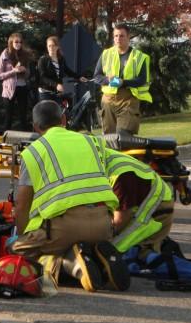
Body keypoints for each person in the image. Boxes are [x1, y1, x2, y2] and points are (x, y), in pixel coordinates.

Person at [11, 100, 128, 291]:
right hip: (103, 225)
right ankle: (97, 259)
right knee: (68, 239)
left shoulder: (33, 152)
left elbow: (22, 205)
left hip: (63, 228)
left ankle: (70, 266)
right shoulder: (92, 142)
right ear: (64, 119)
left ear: (35, 127)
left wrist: (25, 236)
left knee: (18, 252)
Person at [103, 149, 174, 255]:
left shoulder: (121, 176)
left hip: (156, 210)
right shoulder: (99, 159)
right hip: (137, 205)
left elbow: (120, 220)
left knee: (114, 253)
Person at [93, 24, 152, 136]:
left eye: (121, 36)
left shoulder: (139, 57)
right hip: (108, 101)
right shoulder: (106, 54)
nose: (118, 39)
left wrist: (124, 82)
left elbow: (142, 80)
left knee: (123, 137)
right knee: (109, 139)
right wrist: (107, 79)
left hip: (128, 100)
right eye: (116, 36)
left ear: (128, 37)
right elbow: (96, 76)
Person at [0, 32, 31, 131]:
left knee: (23, 115)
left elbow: (29, 74)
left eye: (20, 42)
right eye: (16, 42)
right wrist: (13, 71)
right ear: (11, 42)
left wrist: (25, 70)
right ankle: (5, 139)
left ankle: (25, 139)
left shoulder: (24, 55)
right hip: (9, 89)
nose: (18, 44)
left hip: (22, 87)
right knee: (8, 116)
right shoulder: (5, 55)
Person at [37, 35, 81, 104]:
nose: (51, 48)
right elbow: (43, 77)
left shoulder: (61, 59)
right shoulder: (42, 60)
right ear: (47, 47)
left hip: (57, 92)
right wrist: (56, 85)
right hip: (45, 92)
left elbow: (67, 70)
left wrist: (80, 77)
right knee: (48, 113)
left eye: (53, 45)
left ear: (57, 47)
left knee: (58, 112)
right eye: (49, 46)